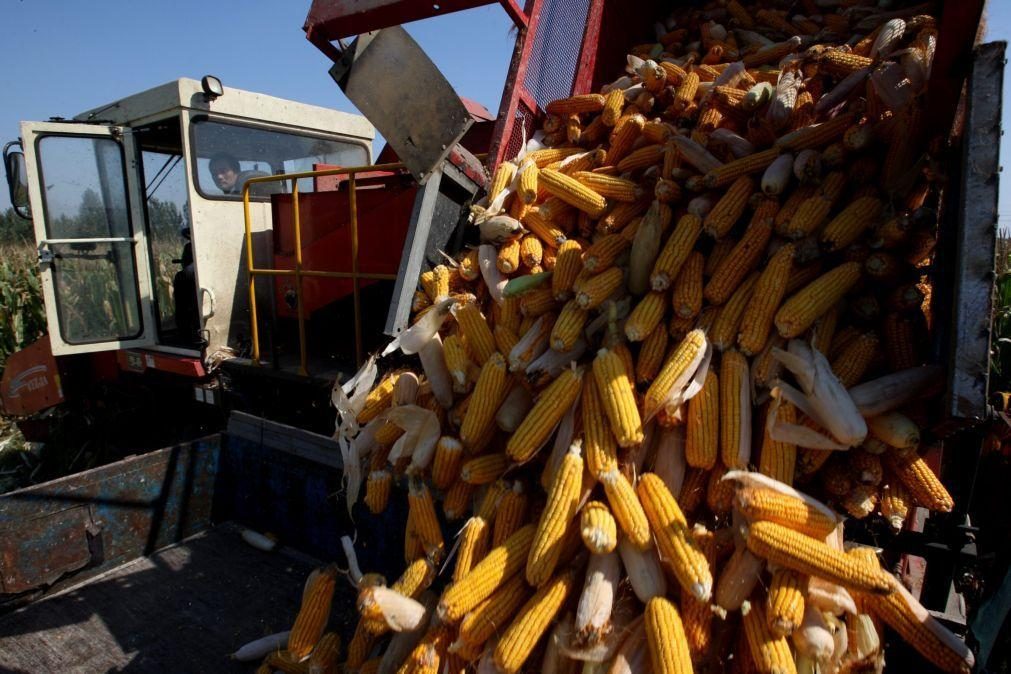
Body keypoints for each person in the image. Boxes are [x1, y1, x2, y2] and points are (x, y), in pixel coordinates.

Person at [208, 153, 279, 197]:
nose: (219, 176)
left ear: (236, 170)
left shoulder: (250, 194)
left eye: (223, 171)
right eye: (214, 173)